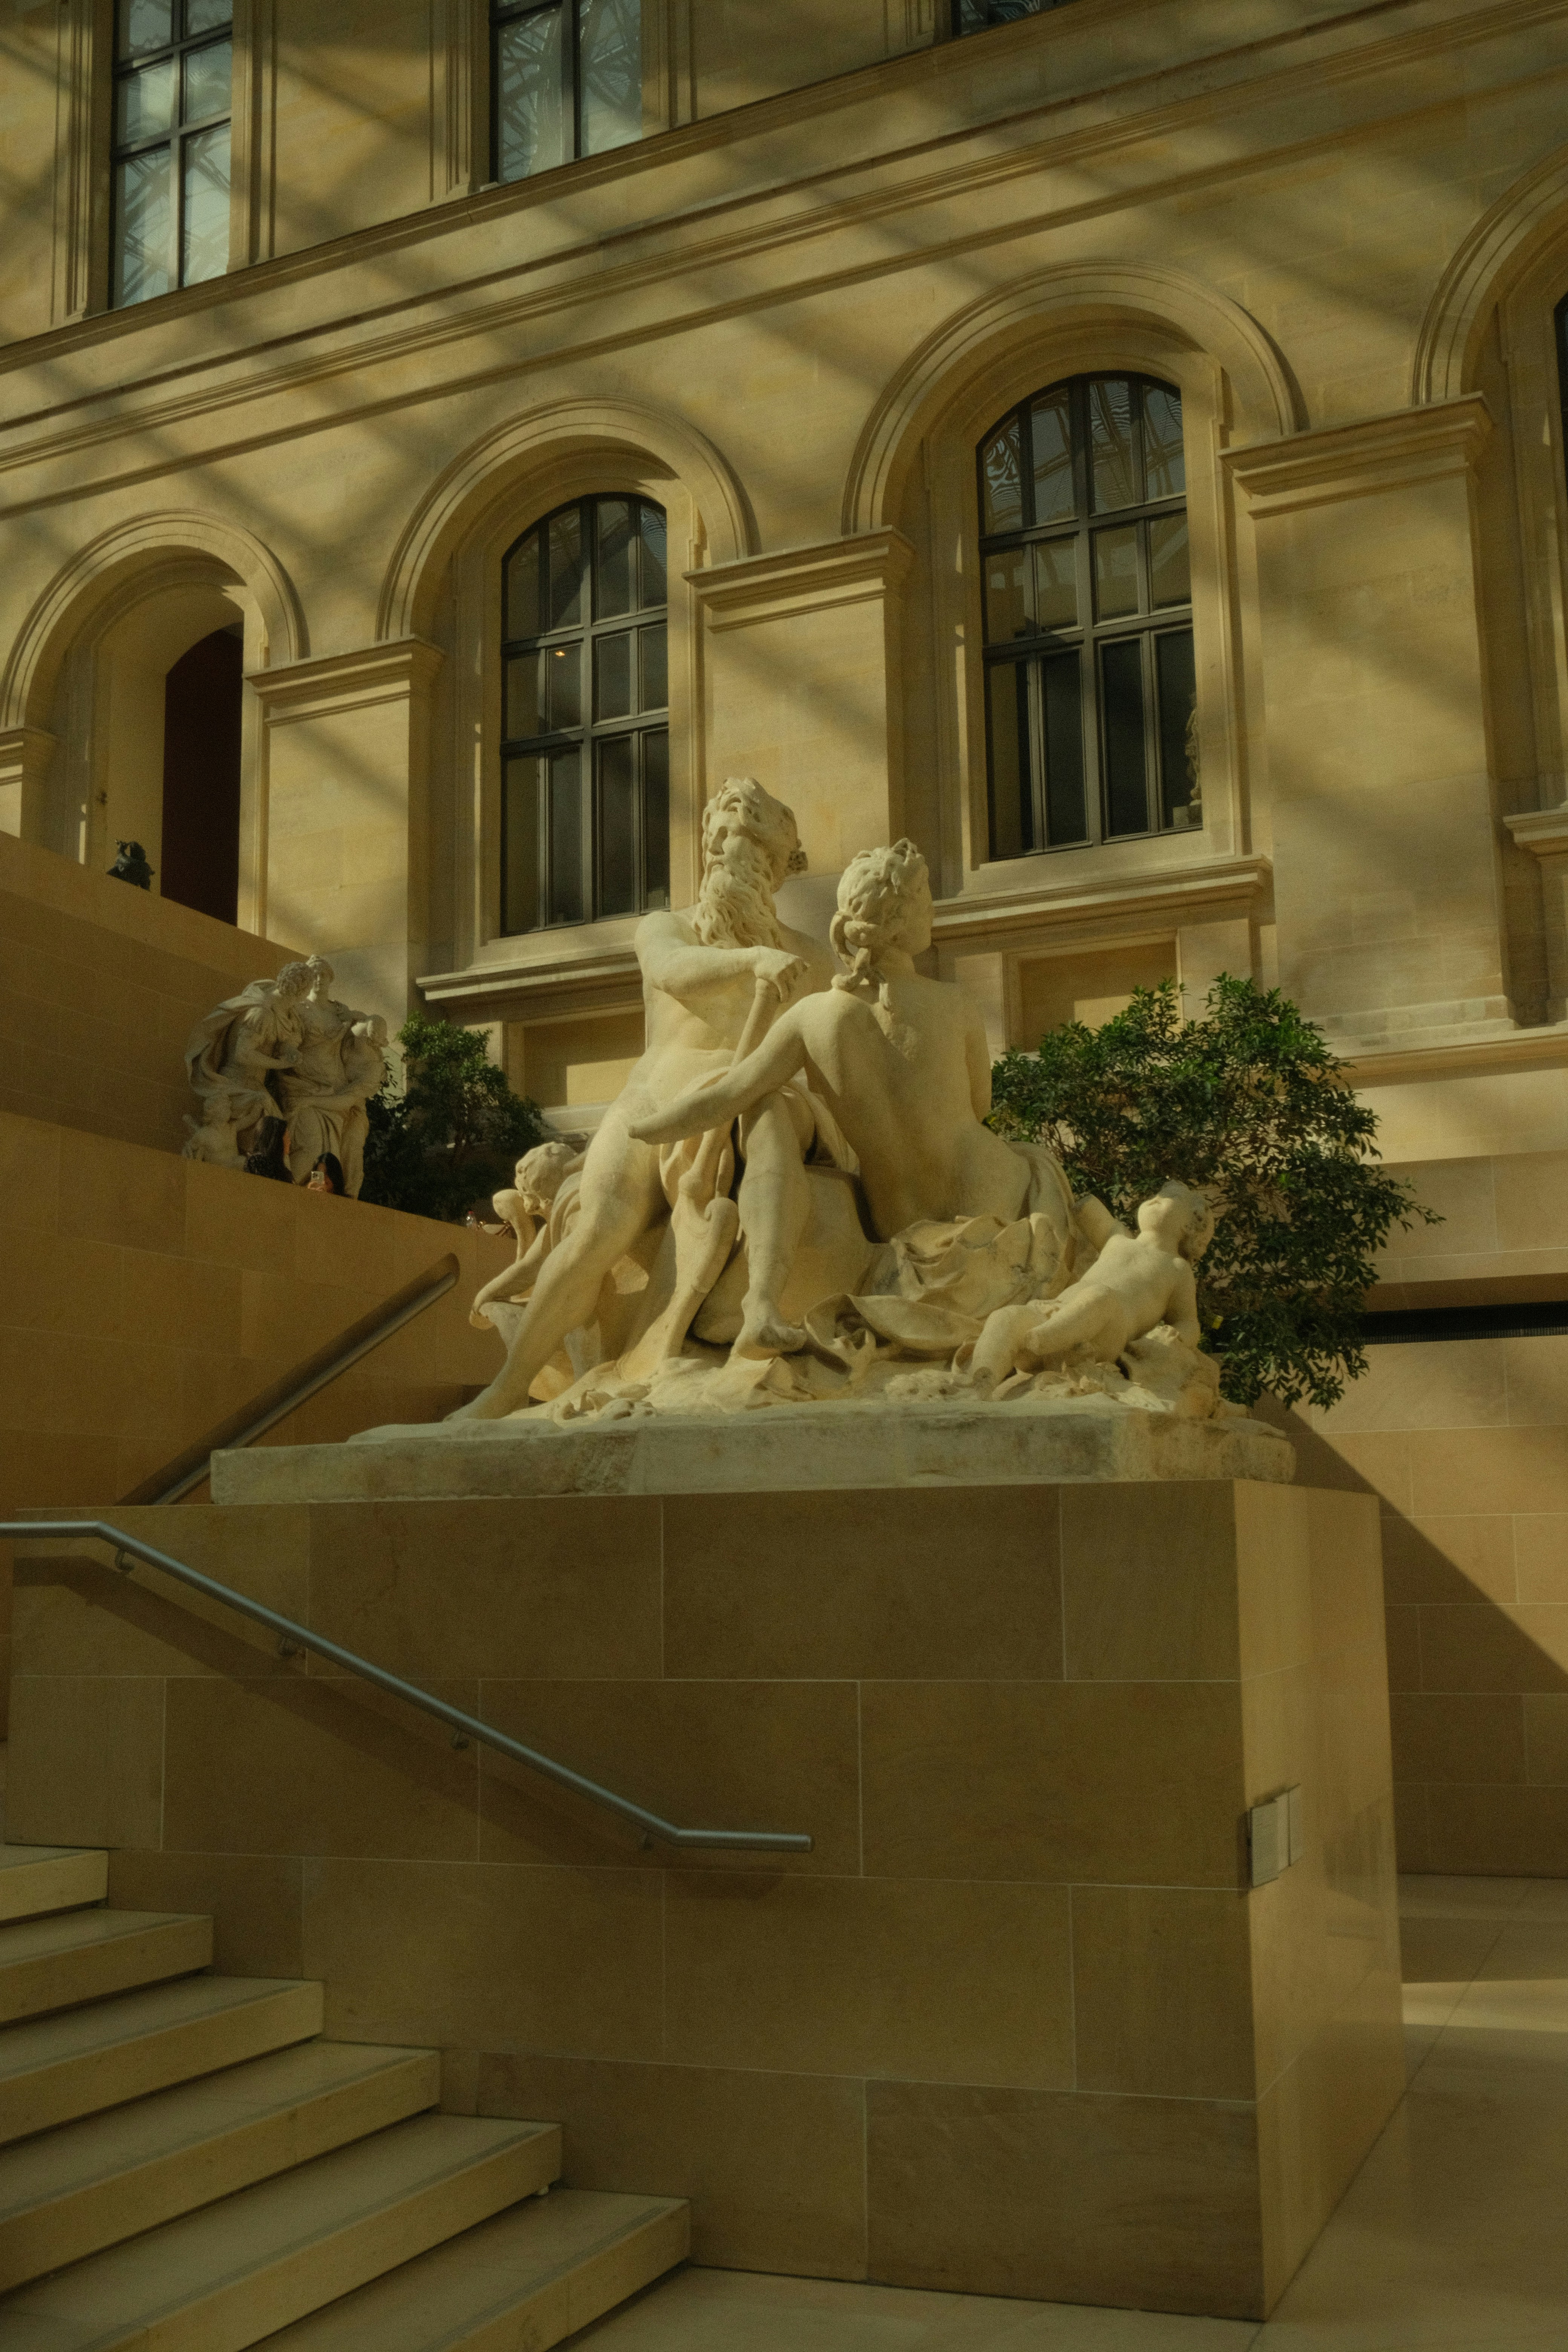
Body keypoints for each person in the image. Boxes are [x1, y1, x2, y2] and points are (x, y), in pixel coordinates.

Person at [454, 778, 838, 1421]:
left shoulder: (809, 959)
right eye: (722, 845)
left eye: (751, 852)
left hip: (750, 1092)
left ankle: (761, 1310)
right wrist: (751, 963)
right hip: (655, 1099)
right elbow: (671, 972)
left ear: (777, 868)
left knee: (773, 1116)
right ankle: (509, 1386)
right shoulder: (669, 927)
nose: (731, 862)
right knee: (596, 1230)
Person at [628, 840, 1046, 1242]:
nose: (933, 915)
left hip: (897, 1219)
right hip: (989, 1183)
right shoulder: (956, 1002)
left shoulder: (813, 1016)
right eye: (926, 904)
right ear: (901, 925)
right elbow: (980, 1106)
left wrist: (649, 1129)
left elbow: (727, 1096)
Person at [968, 1180, 1216, 1395]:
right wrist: (1083, 1205)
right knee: (1006, 1317)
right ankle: (981, 1380)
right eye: (1155, 1196)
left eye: (1169, 1198)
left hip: (1106, 1333)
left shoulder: (1177, 1269)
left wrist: (1176, 1338)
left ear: (1190, 1226)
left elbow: (1188, 1321)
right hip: (1054, 1310)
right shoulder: (1119, 1238)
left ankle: (1044, 1339)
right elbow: (1092, 1215)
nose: (1156, 1199)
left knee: (1100, 1296)